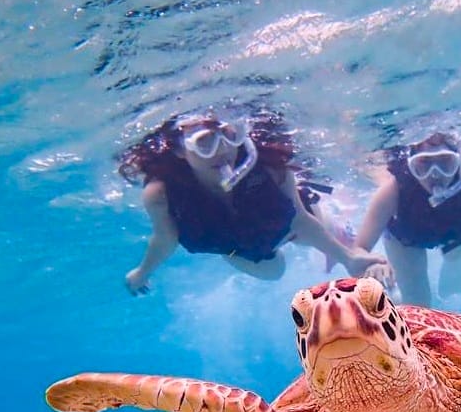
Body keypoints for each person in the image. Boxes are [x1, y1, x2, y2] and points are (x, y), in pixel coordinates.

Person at [117, 110, 385, 295]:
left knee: (303, 228)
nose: (222, 150)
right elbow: (166, 239)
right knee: (274, 271)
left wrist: (348, 258)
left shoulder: (270, 168)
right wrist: (142, 272)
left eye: (230, 136)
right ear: (178, 149)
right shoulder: (160, 193)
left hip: (286, 223)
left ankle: (333, 223)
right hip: (236, 245)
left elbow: (300, 220)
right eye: (205, 142)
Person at [351, 131, 461, 306]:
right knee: (417, 302)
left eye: (446, 162)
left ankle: (454, 252)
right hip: (406, 238)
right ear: (409, 164)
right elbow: (358, 250)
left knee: (457, 256)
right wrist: (372, 265)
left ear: (458, 160)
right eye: (423, 164)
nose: (435, 174)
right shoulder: (392, 191)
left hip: (456, 229)